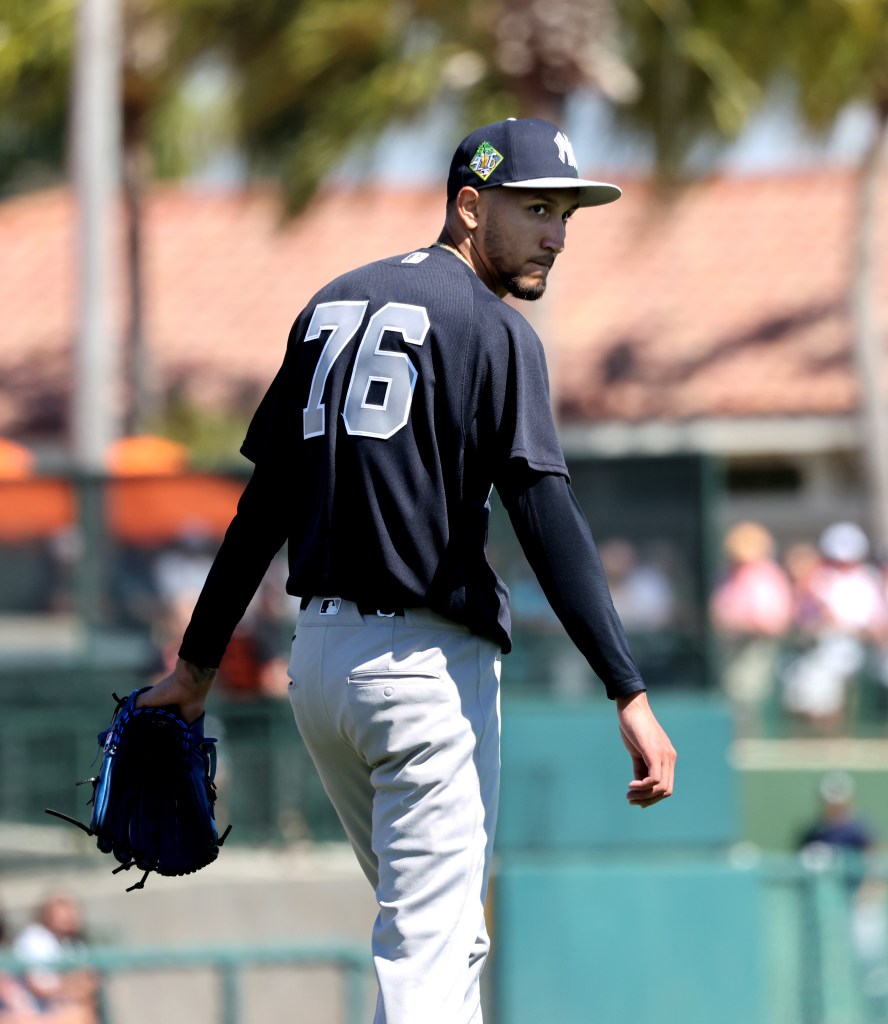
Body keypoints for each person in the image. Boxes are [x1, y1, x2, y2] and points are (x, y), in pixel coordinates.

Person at [137, 117, 677, 1024]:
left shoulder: (330, 304)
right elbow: (544, 515)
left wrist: (195, 669)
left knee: (441, 937)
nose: (556, 232)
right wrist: (627, 687)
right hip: (426, 677)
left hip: (322, 672)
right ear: (469, 206)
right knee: (429, 955)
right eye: (535, 208)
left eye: (566, 214)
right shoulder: (495, 332)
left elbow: (261, 509)